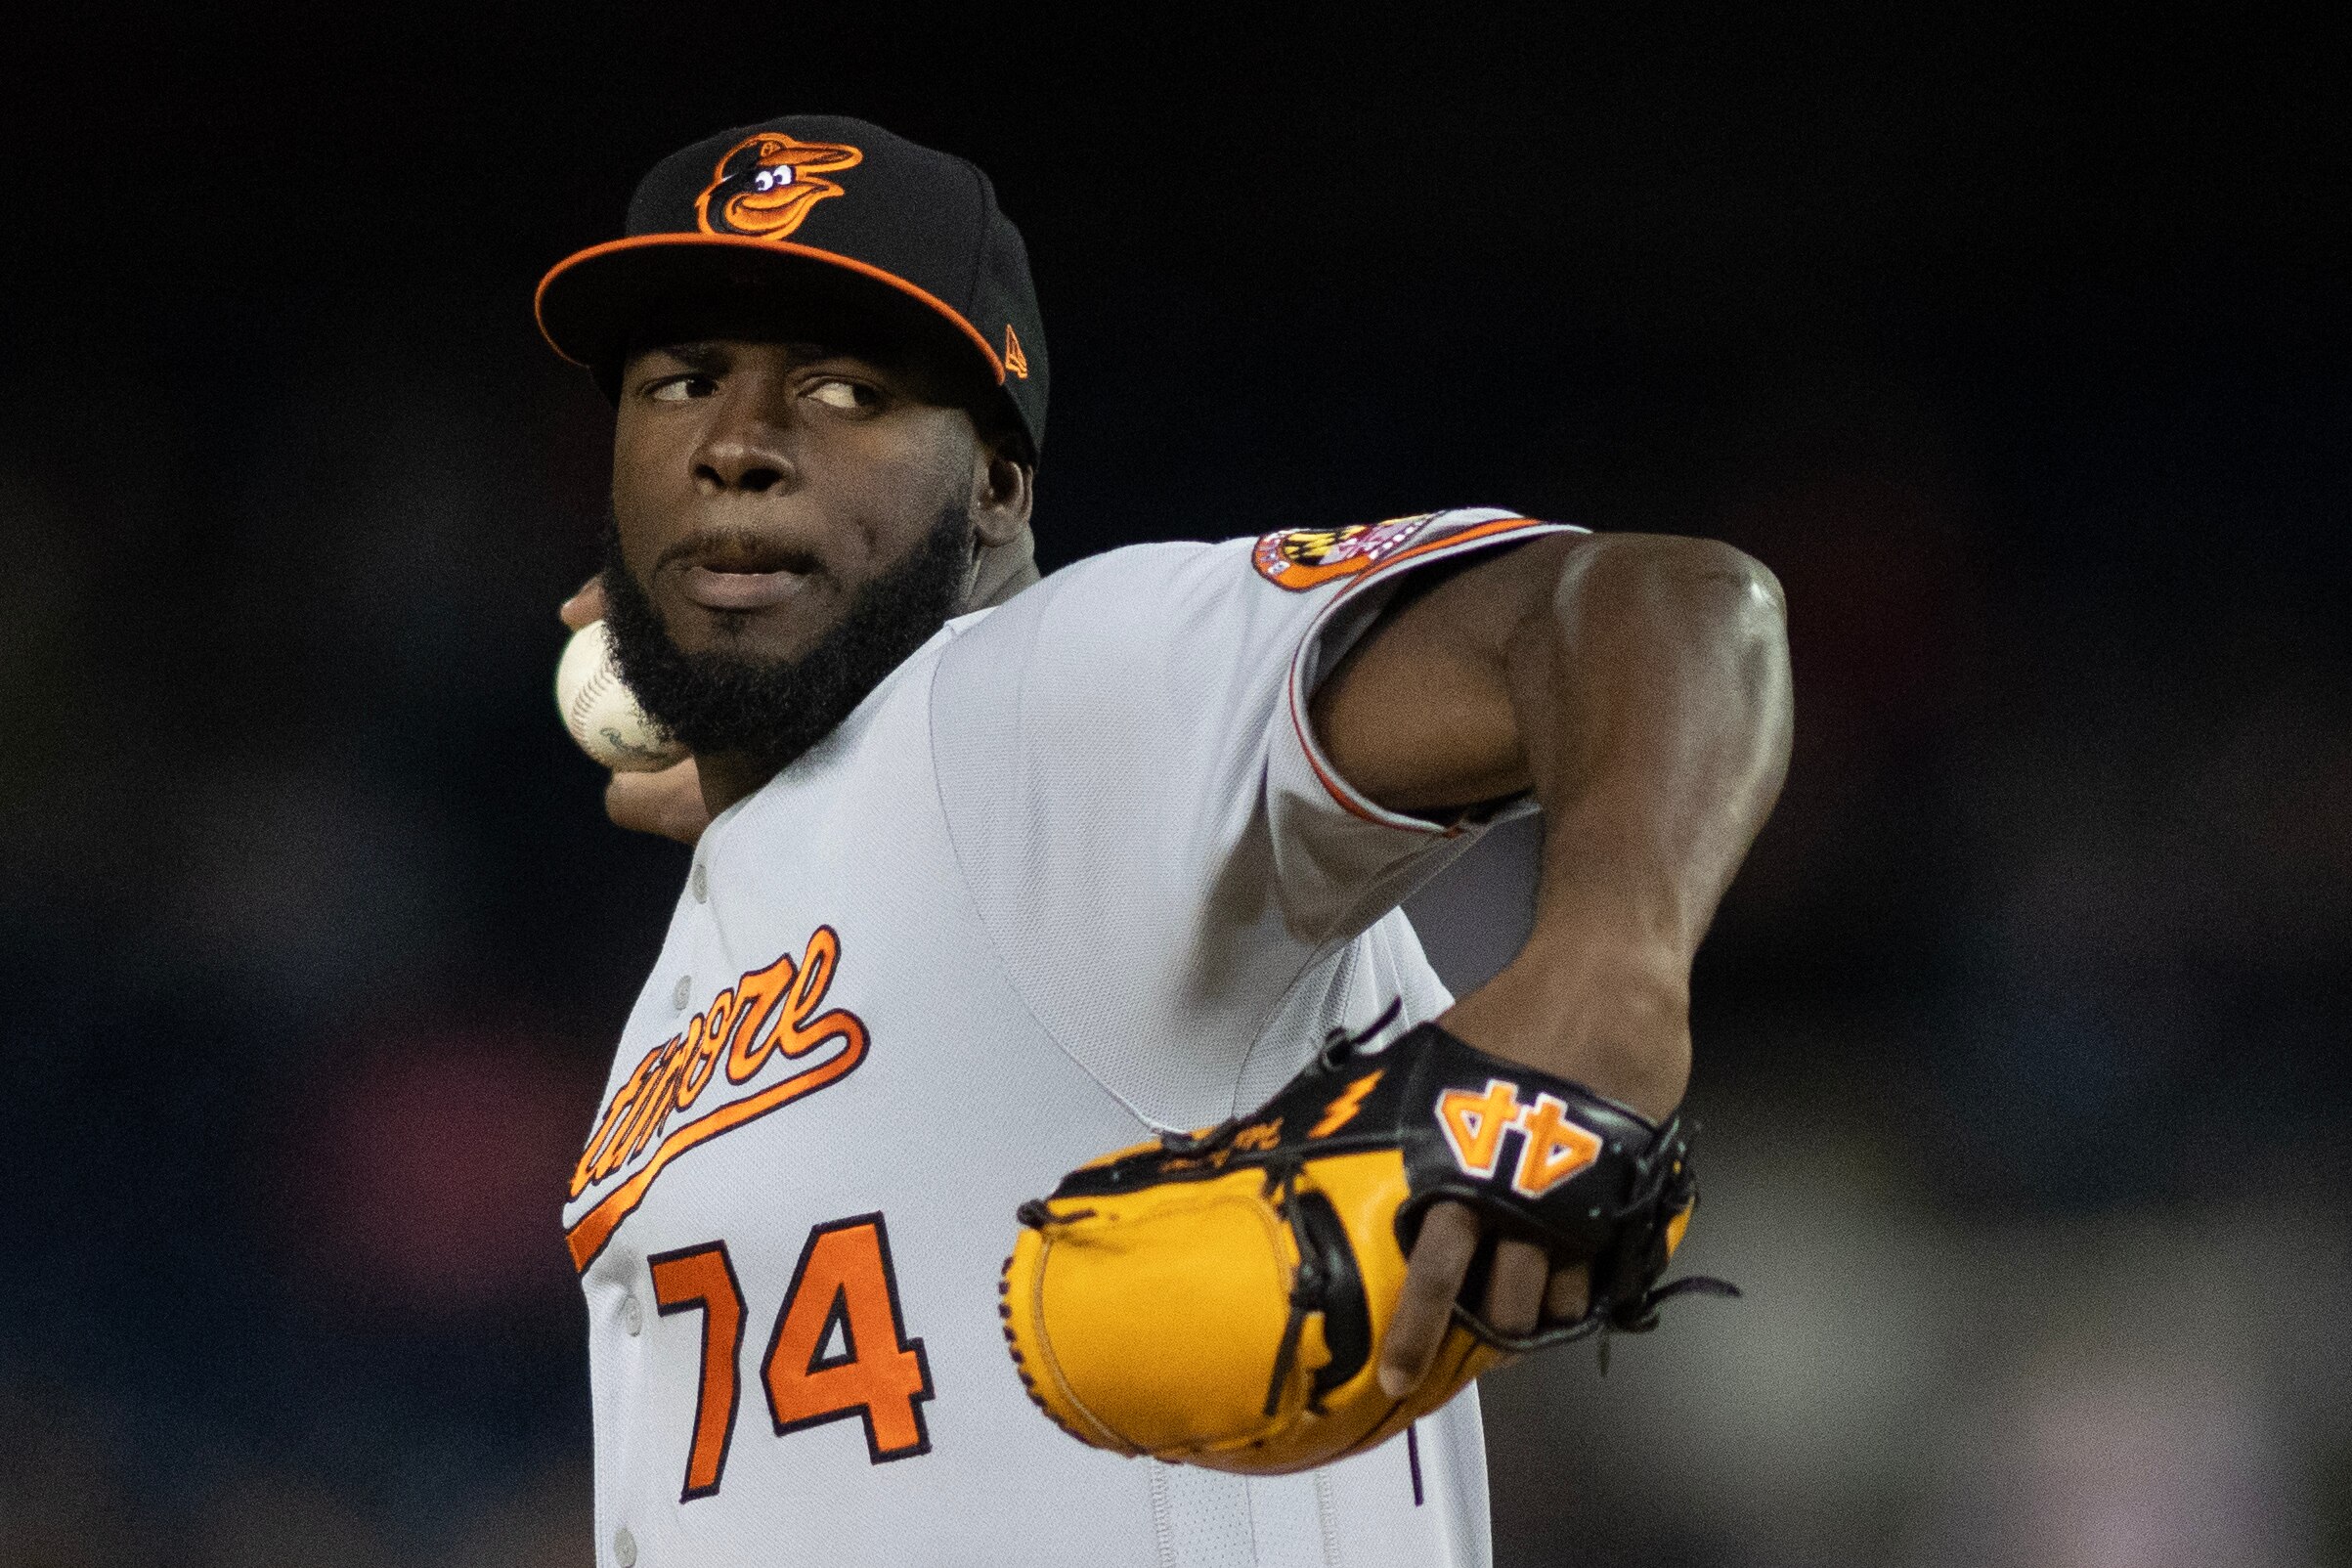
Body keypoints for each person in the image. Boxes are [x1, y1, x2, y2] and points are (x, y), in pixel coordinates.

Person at [539, 113, 1791, 1568]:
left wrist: (1609, 968)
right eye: (680, 382)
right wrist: (798, 798)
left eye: (842, 390)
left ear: (997, 490)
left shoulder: (1045, 702)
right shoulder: (738, 920)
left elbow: (1668, 605)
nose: (738, 444)